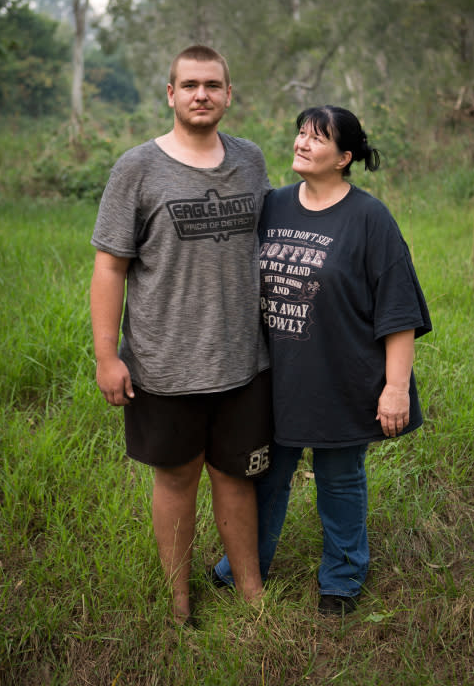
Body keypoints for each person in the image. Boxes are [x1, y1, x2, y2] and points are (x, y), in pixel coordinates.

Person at [213, 105, 432, 616]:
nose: (302, 143)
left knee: (339, 479)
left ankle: (342, 577)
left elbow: (397, 309)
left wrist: (395, 388)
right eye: (300, 134)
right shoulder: (273, 206)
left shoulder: (369, 217)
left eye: (318, 138)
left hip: (343, 377)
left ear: (344, 157)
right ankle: (243, 568)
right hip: (274, 378)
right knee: (265, 476)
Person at [90, 44, 272, 626]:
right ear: (170, 94)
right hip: (163, 362)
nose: (202, 94)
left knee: (238, 479)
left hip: (244, 360)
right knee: (175, 479)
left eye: (212, 85)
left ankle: (252, 596)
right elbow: (109, 266)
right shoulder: (137, 168)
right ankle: (179, 604)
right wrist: (105, 356)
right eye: (189, 84)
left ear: (227, 94)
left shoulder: (251, 161)